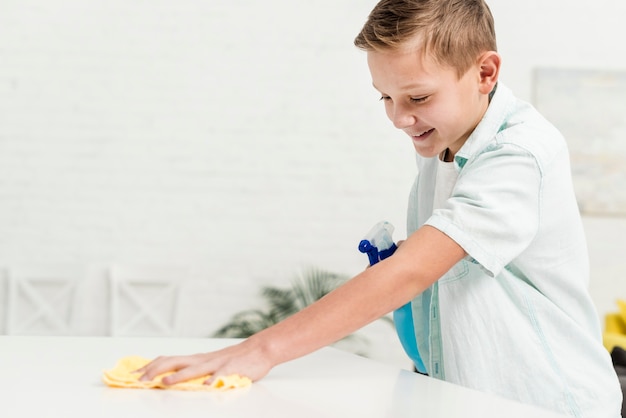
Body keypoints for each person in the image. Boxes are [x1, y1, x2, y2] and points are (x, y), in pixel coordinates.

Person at [138, 0, 622, 416]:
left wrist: (258, 350)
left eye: (418, 97)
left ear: (485, 72)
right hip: (474, 397)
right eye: (385, 97)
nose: (398, 117)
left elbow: (413, 272)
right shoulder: (445, 143)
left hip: (550, 402)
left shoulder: (517, 154)